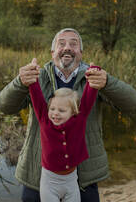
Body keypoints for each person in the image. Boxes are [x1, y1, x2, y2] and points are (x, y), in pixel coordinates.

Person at [0, 28, 136, 202]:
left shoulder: (94, 77)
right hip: (37, 173)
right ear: (52, 52)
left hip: (83, 177)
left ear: (80, 52)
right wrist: (20, 82)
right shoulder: (37, 77)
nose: (67, 47)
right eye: (61, 43)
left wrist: (107, 82)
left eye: (74, 44)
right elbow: (4, 106)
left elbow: (132, 103)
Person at [29, 63, 100, 201]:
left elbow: (89, 95)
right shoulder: (45, 119)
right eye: (52, 109)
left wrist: (94, 72)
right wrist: (32, 74)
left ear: (73, 112)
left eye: (61, 110)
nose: (55, 113)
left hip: (71, 181)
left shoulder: (79, 119)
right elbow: (36, 95)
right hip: (49, 183)